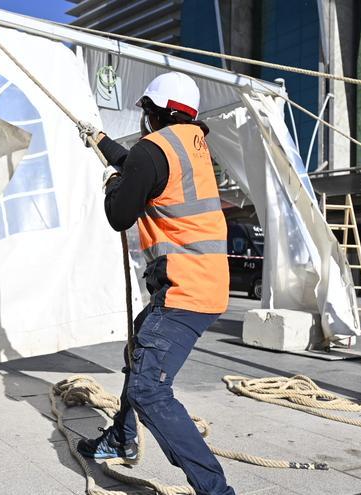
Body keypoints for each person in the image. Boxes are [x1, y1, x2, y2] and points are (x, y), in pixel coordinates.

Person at [75, 72, 235, 495]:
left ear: (155, 112)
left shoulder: (153, 148)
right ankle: (121, 438)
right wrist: (102, 141)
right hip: (204, 283)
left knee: (148, 388)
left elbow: (119, 214)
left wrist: (111, 183)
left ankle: (215, 491)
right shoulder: (193, 145)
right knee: (137, 355)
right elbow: (142, 168)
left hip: (184, 290)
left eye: (146, 110)